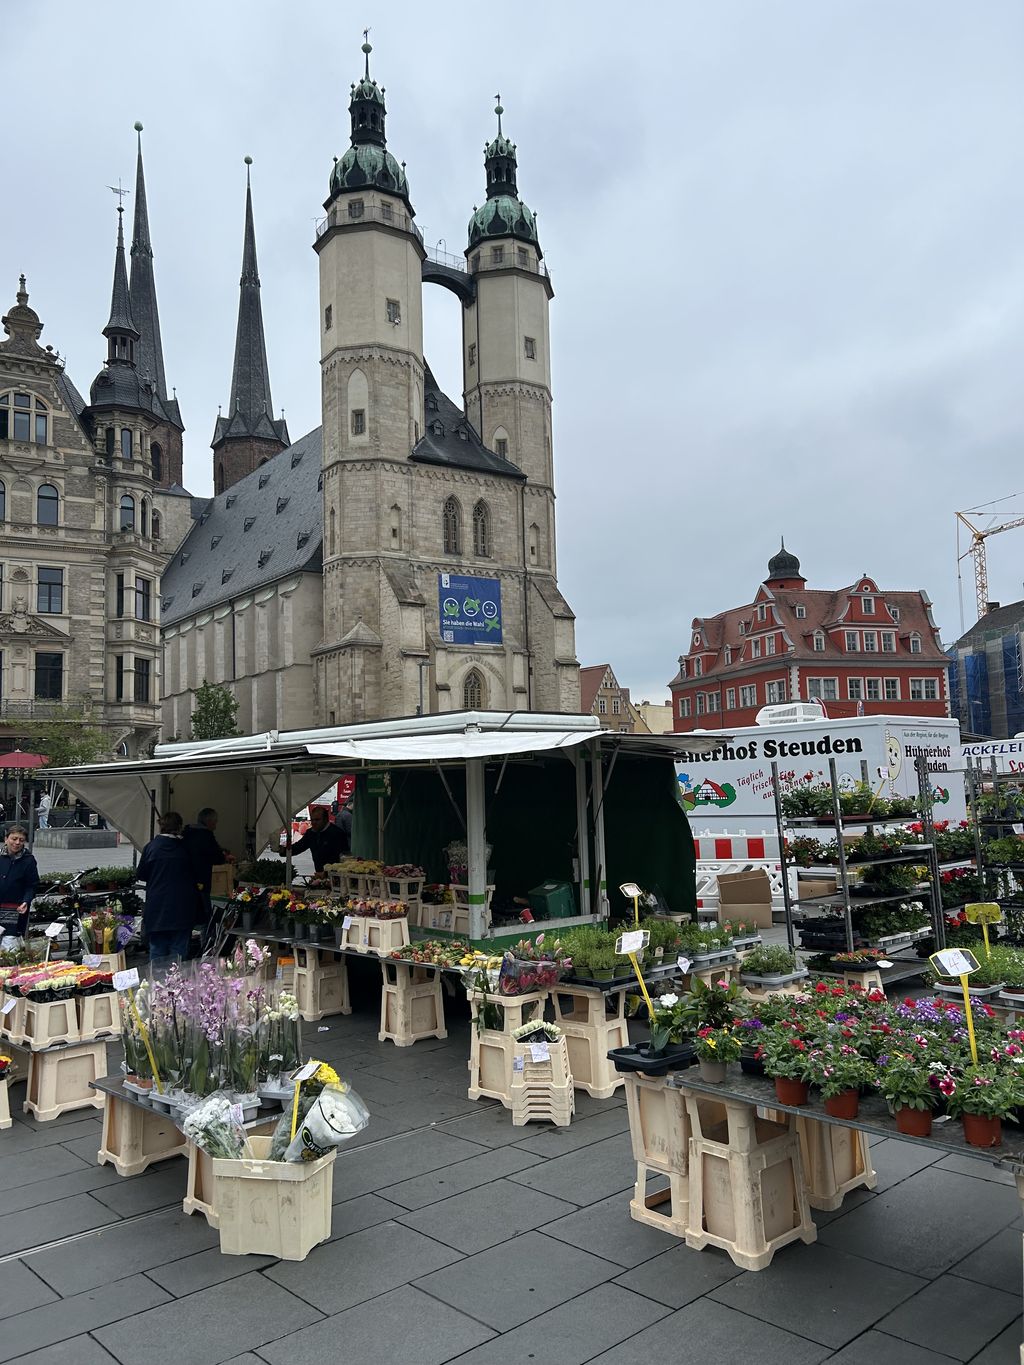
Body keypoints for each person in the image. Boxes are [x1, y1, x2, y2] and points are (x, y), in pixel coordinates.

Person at [137, 811, 202, 970]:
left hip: (157, 907)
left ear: (161, 826)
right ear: (179, 827)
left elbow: (141, 874)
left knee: (157, 951)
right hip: (181, 908)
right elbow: (197, 874)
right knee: (178, 954)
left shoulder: (151, 847)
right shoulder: (186, 848)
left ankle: (157, 987)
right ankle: (175, 989)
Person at [184, 808, 233, 935]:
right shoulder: (206, 835)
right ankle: (205, 948)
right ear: (209, 821)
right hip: (202, 881)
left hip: (185, 882)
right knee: (206, 918)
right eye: (215, 822)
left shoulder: (187, 833)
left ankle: (185, 949)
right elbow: (215, 856)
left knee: (187, 918)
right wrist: (225, 857)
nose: (216, 826)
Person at [279, 804, 347, 873]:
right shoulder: (311, 833)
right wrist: (282, 850)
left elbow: (344, 857)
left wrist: (329, 873)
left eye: (317, 820)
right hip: (319, 873)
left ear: (326, 819)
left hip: (336, 874)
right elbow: (298, 847)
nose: (314, 823)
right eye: (312, 820)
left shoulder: (337, 833)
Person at [0, 825, 39, 941]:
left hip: (15, 911)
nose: (17, 843)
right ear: (6, 839)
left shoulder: (28, 860)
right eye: (14, 839)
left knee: (9, 947)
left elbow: (31, 885)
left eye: (21, 840)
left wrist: (26, 901)